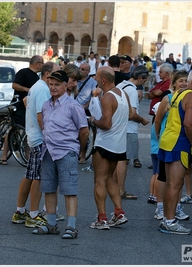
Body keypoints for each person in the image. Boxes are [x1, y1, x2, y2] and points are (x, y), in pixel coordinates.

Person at [32, 70, 89, 239]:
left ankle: (71, 227)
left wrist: (77, 150)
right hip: (48, 151)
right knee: (49, 188)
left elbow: (84, 131)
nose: (53, 88)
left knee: (69, 189)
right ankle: (51, 224)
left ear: (66, 86)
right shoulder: (46, 105)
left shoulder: (73, 106)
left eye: (57, 85)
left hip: (66, 152)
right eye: (51, 84)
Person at [157, 68, 192, 235]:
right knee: (175, 185)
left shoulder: (180, 93)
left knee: (171, 184)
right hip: (178, 144)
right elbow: (188, 123)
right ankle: (170, 221)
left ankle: (167, 219)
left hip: (168, 141)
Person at [11, 61, 60, 228]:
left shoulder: (36, 87)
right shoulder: (43, 90)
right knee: (38, 177)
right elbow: (42, 116)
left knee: (30, 175)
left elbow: (26, 101)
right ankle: (33, 214)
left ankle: (20, 211)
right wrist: (49, 136)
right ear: (47, 74)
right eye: (56, 73)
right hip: (40, 138)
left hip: (34, 136)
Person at [89, 66, 131, 229]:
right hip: (119, 145)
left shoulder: (107, 98)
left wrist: (92, 120)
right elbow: (129, 115)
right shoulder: (123, 94)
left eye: (97, 77)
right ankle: (119, 213)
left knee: (99, 180)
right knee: (110, 178)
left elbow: (106, 124)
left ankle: (102, 218)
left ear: (103, 80)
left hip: (105, 143)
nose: (95, 79)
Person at [153, 70, 190, 220]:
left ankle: (176, 206)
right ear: (174, 82)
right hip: (167, 141)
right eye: (181, 80)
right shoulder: (168, 98)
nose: (184, 83)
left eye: (186, 80)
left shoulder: (188, 98)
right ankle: (160, 207)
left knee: (177, 178)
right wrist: (157, 136)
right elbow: (157, 120)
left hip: (181, 142)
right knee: (163, 177)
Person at [114, 66, 150, 201]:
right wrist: (143, 120)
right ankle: (121, 190)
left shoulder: (121, 85)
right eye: (144, 80)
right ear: (140, 78)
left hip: (118, 127)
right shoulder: (133, 91)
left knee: (117, 159)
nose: (144, 84)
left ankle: (114, 187)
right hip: (129, 129)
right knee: (123, 160)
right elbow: (132, 114)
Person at [0, 55, 42, 165]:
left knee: (27, 131)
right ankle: (4, 156)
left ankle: (27, 154)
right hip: (18, 106)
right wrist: (26, 89)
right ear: (37, 64)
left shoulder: (37, 77)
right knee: (13, 129)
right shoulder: (23, 72)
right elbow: (14, 85)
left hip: (29, 106)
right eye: (41, 63)